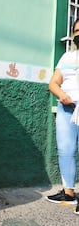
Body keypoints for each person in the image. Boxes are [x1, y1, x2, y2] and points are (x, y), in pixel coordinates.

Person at [47, 19, 79, 211]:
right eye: (76, 30)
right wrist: (62, 96)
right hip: (66, 109)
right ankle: (68, 192)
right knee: (65, 151)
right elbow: (53, 83)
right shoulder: (67, 57)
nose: (78, 34)